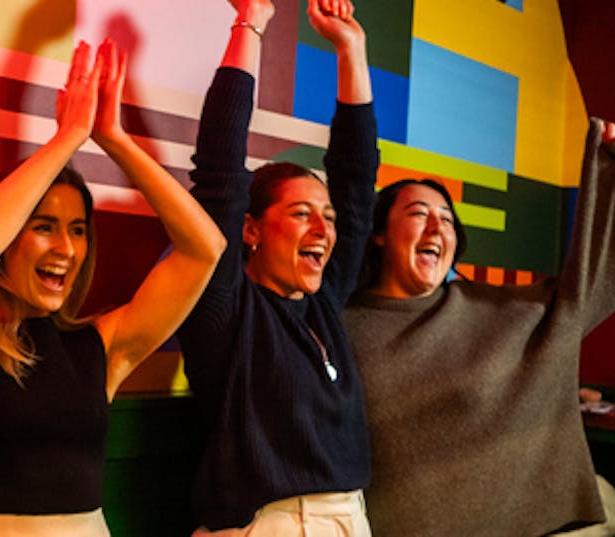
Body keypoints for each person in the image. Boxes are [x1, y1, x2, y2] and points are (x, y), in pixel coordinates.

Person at [0, 39, 225, 536]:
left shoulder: (98, 346)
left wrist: (114, 138)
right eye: (44, 226)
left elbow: (205, 249)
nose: (67, 249)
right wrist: (66, 139)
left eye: (78, 230)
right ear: (9, 235)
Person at [342, 115, 615, 537]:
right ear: (379, 234)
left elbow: (591, 289)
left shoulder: (494, 310)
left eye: (446, 219)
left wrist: (611, 170)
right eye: (419, 213)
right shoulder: (342, 324)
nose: (436, 227)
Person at [176, 0, 379, 534]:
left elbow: (357, 183)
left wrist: (351, 49)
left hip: (348, 519)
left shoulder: (323, 303)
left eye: (327, 217)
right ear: (250, 229)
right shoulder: (224, 311)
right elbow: (219, 174)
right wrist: (250, 22)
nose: (324, 229)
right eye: (300, 214)